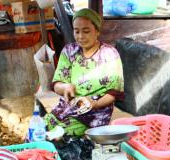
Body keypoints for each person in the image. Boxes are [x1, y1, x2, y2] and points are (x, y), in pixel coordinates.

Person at [46, 8, 124, 136]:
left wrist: (95, 103)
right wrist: (65, 86)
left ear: (97, 31)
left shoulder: (109, 55)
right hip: (69, 107)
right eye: (76, 31)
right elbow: (57, 84)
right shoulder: (69, 51)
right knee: (39, 131)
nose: (81, 36)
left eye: (86, 31)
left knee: (59, 137)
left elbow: (113, 93)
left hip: (96, 113)